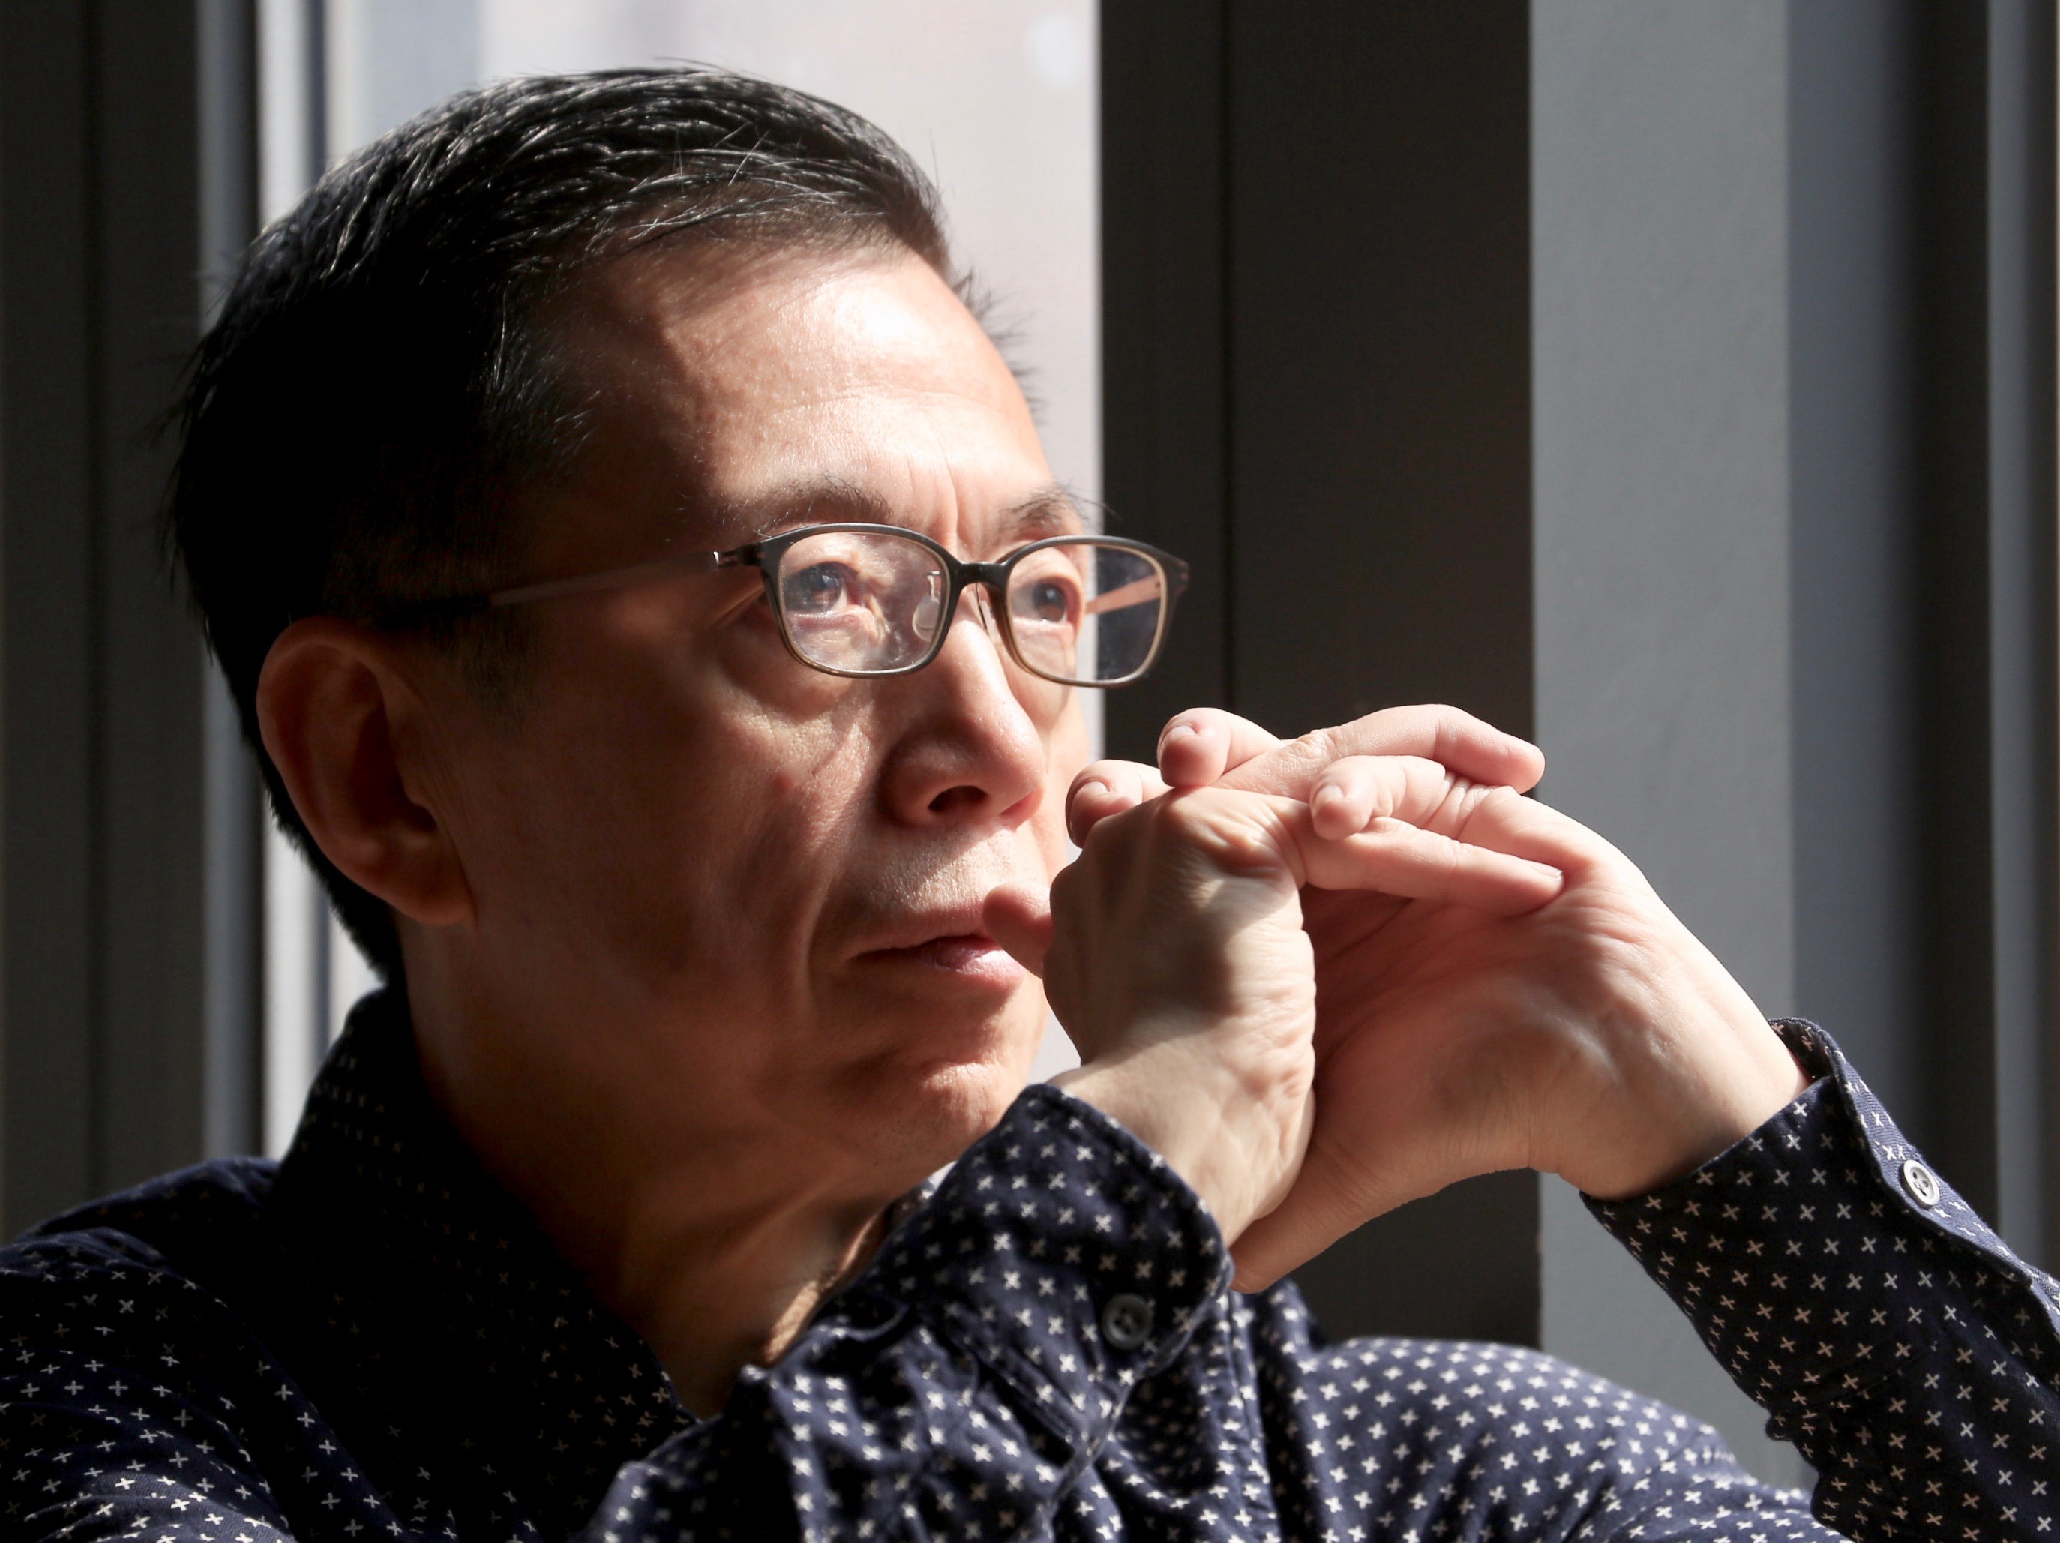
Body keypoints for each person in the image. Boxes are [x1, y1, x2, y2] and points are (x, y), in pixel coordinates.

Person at [2, 69, 2053, 1543]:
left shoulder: (1365, 1485)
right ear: (386, 770)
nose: (1004, 745)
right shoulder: (99, 1406)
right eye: (824, 595)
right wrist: (1133, 1165)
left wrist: (1720, 1135)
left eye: (1043, 596)